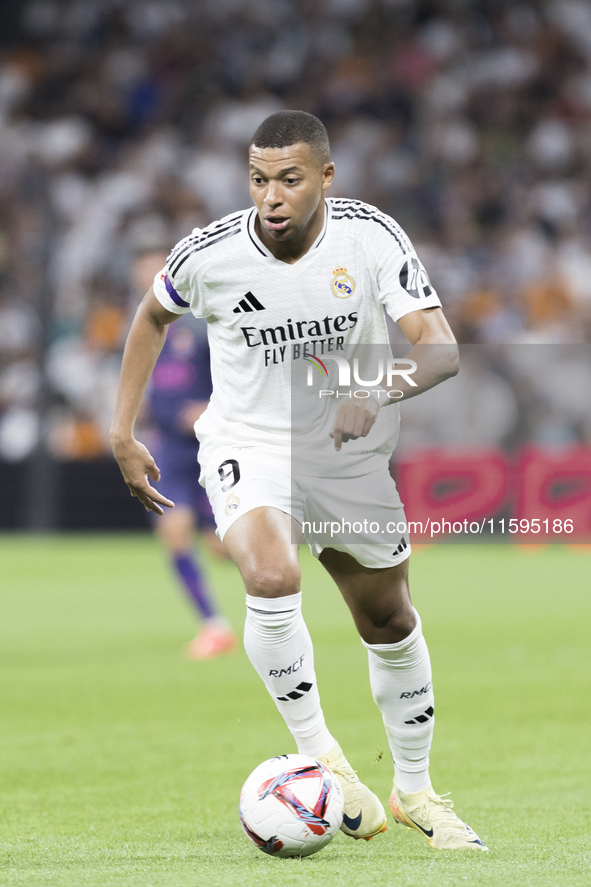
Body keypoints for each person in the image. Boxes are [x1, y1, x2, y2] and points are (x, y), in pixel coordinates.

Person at [111, 111, 487, 851]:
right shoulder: (208, 253)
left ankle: (414, 790)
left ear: (324, 176)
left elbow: (439, 351)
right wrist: (121, 430)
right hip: (247, 440)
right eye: (258, 179)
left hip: (345, 450)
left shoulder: (370, 236)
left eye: (288, 178)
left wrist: (375, 389)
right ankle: (327, 763)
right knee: (271, 573)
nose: (271, 195)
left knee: (388, 618)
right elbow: (151, 316)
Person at [130, 246, 237, 660]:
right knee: (174, 532)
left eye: (154, 272)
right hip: (169, 448)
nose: (149, 280)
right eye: (142, 274)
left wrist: (212, 408)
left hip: (211, 442)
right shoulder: (140, 325)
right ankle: (213, 625)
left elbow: (236, 372)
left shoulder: (202, 323)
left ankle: (276, 598)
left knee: (223, 547)